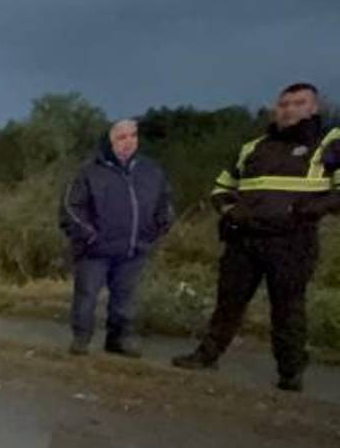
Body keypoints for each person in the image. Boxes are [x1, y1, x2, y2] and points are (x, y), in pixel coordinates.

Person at [172, 83, 340, 391]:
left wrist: (304, 210)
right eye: (284, 103)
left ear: (313, 109)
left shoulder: (329, 142)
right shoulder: (254, 147)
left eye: (298, 103)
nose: (288, 109)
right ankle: (207, 355)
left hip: (292, 240)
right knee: (228, 302)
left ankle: (290, 372)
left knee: (287, 308)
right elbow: (221, 188)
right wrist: (230, 212)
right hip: (245, 239)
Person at [59, 119, 174, 356]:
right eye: (121, 137)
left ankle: (119, 340)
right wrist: (89, 236)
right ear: (109, 142)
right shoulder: (89, 172)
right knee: (87, 296)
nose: (128, 142)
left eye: (133, 135)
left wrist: (155, 232)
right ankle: (81, 338)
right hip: (95, 251)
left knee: (125, 299)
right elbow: (71, 208)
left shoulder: (151, 171)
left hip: (134, 249)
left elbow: (164, 206)